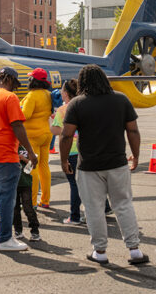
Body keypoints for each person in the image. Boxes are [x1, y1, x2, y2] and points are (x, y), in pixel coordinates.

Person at [59, 64, 148, 265]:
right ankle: (134, 250)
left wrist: (64, 160)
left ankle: (100, 251)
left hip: (89, 166)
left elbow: (66, 136)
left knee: (94, 208)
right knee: (123, 205)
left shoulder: (77, 104)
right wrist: (136, 155)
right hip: (117, 163)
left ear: (82, 82)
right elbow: (133, 131)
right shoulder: (121, 100)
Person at [0, 67, 38, 251]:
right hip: (4, 154)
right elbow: (17, 125)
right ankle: (4, 239)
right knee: (6, 197)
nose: (15, 90)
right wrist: (31, 153)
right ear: (9, 80)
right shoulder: (9, 98)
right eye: (15, 85)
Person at [51, 78, 83, 224]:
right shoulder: (83, 105)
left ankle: (75, 215)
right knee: (88, 182)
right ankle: (105, 207)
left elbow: (55, 129)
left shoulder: (64, 109)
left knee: (74, 184)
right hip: (85, 149)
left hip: (70, 151)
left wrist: (52, 120)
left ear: (65, 93)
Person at [21, 68, 53, 208]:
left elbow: (25, 115)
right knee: (44, 166)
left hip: (32, 136)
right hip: (46, 134)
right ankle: (45, 200)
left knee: (32, 167)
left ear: (33, 81)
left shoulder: (32, 96)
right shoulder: (48, 94)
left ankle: (32, 202)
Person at [14, 146, 41, 241]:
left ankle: (35, 231)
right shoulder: (9, 148)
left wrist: (24, 159)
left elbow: (33, 166)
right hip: (13, 184)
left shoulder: (26, 150)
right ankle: (18, 230)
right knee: (15, 209)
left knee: (28, 207)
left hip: (25, 183)